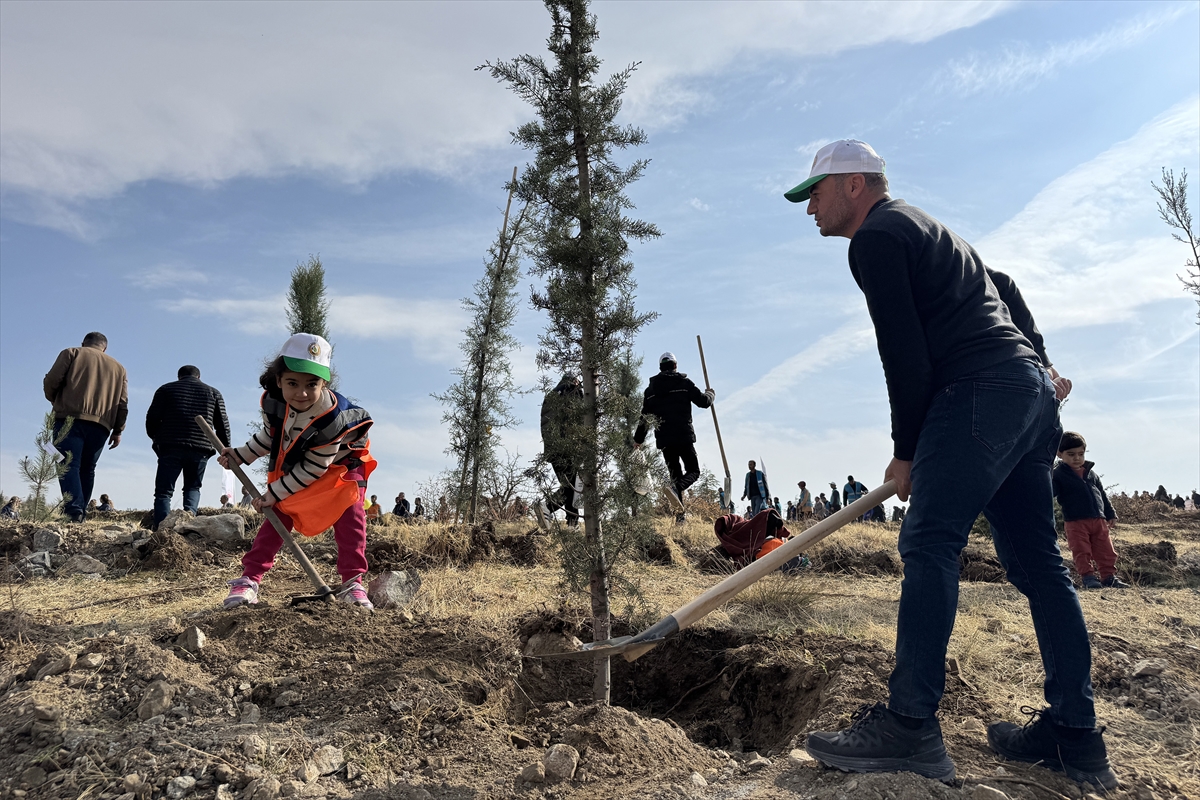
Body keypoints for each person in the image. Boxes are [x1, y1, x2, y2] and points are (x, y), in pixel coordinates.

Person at [787, 139, 1114, 789]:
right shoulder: (931, 229)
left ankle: (909, 726)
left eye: (815, 192)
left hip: (978, 393)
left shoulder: (877, 237)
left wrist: (906, 448)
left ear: (854, 185)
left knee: (930, 541)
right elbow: (1005, 286)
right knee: (1038, 565)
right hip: (1028, 401)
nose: (809, 207)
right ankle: (1076, 737)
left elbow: (903, 353)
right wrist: (1041, 365)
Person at [217, 333, 376, 611]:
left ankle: (353, 582)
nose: (301, 393)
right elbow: (271, 437)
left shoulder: (332, 419)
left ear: (324, 384)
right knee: (279, 510)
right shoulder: (273, 402)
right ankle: (249, 580)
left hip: (343, 463)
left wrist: (275, 492)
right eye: (292, 383)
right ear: (279, 380)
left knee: (350, 512)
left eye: (311, 384)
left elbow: (316, 466)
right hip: (305, 463)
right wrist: (241, 455)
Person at [43, 332, 128, 522]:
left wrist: (55, 399)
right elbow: (123, 403)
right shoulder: (119, 368)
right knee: (88, 468)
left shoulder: (71, 353)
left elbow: (51, 381)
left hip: (69, 418)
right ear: (104, 348)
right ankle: (80, 512)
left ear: (84, 343)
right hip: (102, 425)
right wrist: (118, 430)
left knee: (67, 463)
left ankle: (74, 511)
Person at [632, 353, 716, 522]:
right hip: (683, 435)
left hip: (664, 440)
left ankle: (680, 518)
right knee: (693, 471)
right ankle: (675, 490)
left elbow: (645, 419)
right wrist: (710, 394)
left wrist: (638, 440)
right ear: (675, 366)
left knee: (676, 475)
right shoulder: (684, 384)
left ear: (660, 367)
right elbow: (703, 402)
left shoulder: (651, 391)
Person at [145, 365, 231, 528]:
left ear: (179, 377)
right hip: (201, 447)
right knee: (193, 487)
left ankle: (162, 528)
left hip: (170, 445)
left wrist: (157, 438)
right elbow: (222, 424)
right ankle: (189, 523)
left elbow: (152, 418)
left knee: (163, 492)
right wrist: (225, 449)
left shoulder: (165, 390)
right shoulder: (213, 393)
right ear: (198, 377)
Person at [1052, 432, 1127, 590]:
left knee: (1106, 549)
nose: (1077, 458)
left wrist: (1110, 513)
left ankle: (1109, 577)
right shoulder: (1057, 475)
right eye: (1071, 454)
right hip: (1075, 521)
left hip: (1098, 519)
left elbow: (1102, 495)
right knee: (1081, 550)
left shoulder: (1092, 474)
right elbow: (1049, 493)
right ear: (1059, 454)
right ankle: (1088, 577)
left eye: (1081, 454)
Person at [541, 374, 585, 526]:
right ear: (574, 381)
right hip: (568, 447)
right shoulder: (571, 391)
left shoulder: (552, 396)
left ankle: (572, 524)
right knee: (571, 486)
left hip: (553, 449)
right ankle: (547, 507)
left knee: (570, 486)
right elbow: (579, 419)